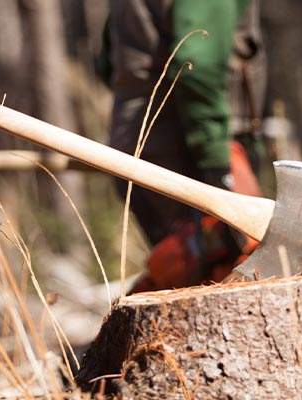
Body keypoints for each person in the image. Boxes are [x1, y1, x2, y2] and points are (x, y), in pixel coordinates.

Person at [100, 0, 266, 292]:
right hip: (189, 156)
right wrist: (217, 162)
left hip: (139, 149)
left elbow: (105, 61)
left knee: (193, 285)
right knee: (228, 282)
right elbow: (196, 63)